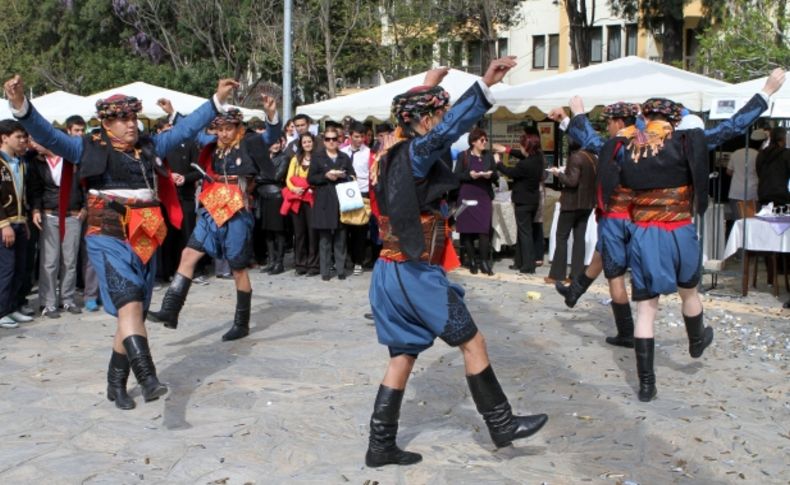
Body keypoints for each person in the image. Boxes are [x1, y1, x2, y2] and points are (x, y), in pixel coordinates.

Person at [6, 73, 239, 410]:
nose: (131, 125)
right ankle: (148, 378)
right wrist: (20, 106)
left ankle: (115, 383)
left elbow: (185, 131)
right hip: (107, 233)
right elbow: (47, 135)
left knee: (136, 312)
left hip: (146, 236)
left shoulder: (149, 146)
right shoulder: (84, 146)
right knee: (129, 303)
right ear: (106, 122)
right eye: (122, 119)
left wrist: (216, 100)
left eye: (133, 117)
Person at [365, 57, 547, 468]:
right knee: (473, 341)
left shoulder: (388, 149)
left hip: (390, 272)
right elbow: (445, 131)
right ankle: (502, 424)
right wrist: (484, 84)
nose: (443, 120)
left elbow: (416, 122)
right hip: (416, 275)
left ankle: (380, 446)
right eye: (437, 114)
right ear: (424, 120)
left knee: (402, 357)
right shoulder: (414, 151)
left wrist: (429, 83)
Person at [550, 69, 784, 348]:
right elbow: (732, 127)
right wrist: (766, 91)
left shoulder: (623, 146)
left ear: (643, 118)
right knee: (687, 289)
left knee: (638, 298)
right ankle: (695, 339)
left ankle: (641, 368)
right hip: (678, 228)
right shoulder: (686, 143)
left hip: (638, 227)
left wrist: (575, 115)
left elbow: (592, 141)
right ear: (675, 121)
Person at [149, 99, 281, 342]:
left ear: (238, 126)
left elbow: (270, 136)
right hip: (211, 206)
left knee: (238, 266)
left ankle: (241, 323)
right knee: (188, 254)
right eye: (219, 128)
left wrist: (271, 115)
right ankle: (170, 310)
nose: (223, 133)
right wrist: (172, 112)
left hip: (237, 208)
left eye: (228, 128)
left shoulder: (250, 141)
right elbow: (191, 131)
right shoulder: (213, 143)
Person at [27, 138, 85, 317]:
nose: (34, 144)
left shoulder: (72, 159)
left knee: (70, 260)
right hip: (49, 214)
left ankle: (67, 299)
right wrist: (36, 209)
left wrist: (85, 208)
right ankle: (48, 303)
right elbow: (35, 190)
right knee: (49, 261)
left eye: (37, 140)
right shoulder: (36, 162)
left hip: (73, 214)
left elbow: (85, 184)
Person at [546, 139, 597, 283]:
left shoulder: (576, 157)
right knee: (579, 238)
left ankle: (557, 275)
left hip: (572, 203)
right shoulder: (593, 157)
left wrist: (558, 174)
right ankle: (576, 275)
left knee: (561, 237)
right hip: (587, 204)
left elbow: (572, 181)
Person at [308, 126, 355, 281]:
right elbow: (311, 179)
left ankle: (341, 269)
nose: (331, 142)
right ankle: (325, 271)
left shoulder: (344, 157)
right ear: (324, 140)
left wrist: (343, 176)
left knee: (341, 238)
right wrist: (326, 176)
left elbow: (352, 175)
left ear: (339, 139)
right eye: (328, 139)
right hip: (324, 200)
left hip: (341, 200)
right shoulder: (317, 157)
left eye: (334, 139)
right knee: (325, 239)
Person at [494, 130, 545, 274]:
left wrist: (498, 162)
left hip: (523, 201)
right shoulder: (538, 157)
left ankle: (528, 266)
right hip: (532, 200)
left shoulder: (525, 165)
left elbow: (510, 172)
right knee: (523, 232)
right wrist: (507, 150)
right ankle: (519, 262)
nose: (520, 148)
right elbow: (520, 154)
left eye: (522, 145)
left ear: (527, 147)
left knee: (525, 234)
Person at [454, 128, 499, 275]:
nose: (485, 142)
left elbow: (496, 175)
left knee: (484, 230)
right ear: (473, 142)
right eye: (482, 140)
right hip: (467, 196)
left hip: (483, 196)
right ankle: (472, 260)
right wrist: (470, 175)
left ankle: (484, 262)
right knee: (467, 231)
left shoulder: (488, 156)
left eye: (486, 139)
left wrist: (490, 176)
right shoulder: (463, 156)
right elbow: (457, 176)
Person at [0, 120, 30, 329]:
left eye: (23, 137)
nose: (22, 141)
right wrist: (4, 225)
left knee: (20, 267)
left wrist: (24, 220)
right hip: (5, 224)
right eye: (18, 137)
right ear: (4, 137)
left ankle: (12, 307)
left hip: (19, 221)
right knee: (7, 268)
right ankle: (1, 311)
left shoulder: (19, 162)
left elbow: (23, 194)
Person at [283, 133, 319, 276]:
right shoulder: (295, 159)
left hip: (311, 198)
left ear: (313, 143)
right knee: (299, 233)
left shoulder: (317, 159)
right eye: (304, 142)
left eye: (309, 141)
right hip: (297, 198)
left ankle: (313, 265)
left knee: (312, 232)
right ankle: (300, 264)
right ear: (301, 144)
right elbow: (288, 179)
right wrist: (294, 189)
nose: (307, 144)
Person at [341, 122, 372, 276]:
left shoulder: (368, 153)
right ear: (350, 136)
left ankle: (358, 261)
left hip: (362, 193)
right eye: (356, 136)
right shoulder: (343, 151)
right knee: (345, 228)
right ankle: (347, 258)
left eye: (362, 137)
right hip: (346, 192)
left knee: (360, 230)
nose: (359, 139)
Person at [727, 130, 763, 218]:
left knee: (739, 221)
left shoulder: (735, 153)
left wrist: (739, 175)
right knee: (752, 222)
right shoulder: (759, 155)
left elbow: (729, 171)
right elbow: (761, 173)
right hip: (752, 193)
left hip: (735, 193)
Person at [756, 127, 790, 207]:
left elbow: (758, 172)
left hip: (763, 194)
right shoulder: (786, 154)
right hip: (781, 195)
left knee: (765, 217)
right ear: (783, 138)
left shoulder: (761, 153)